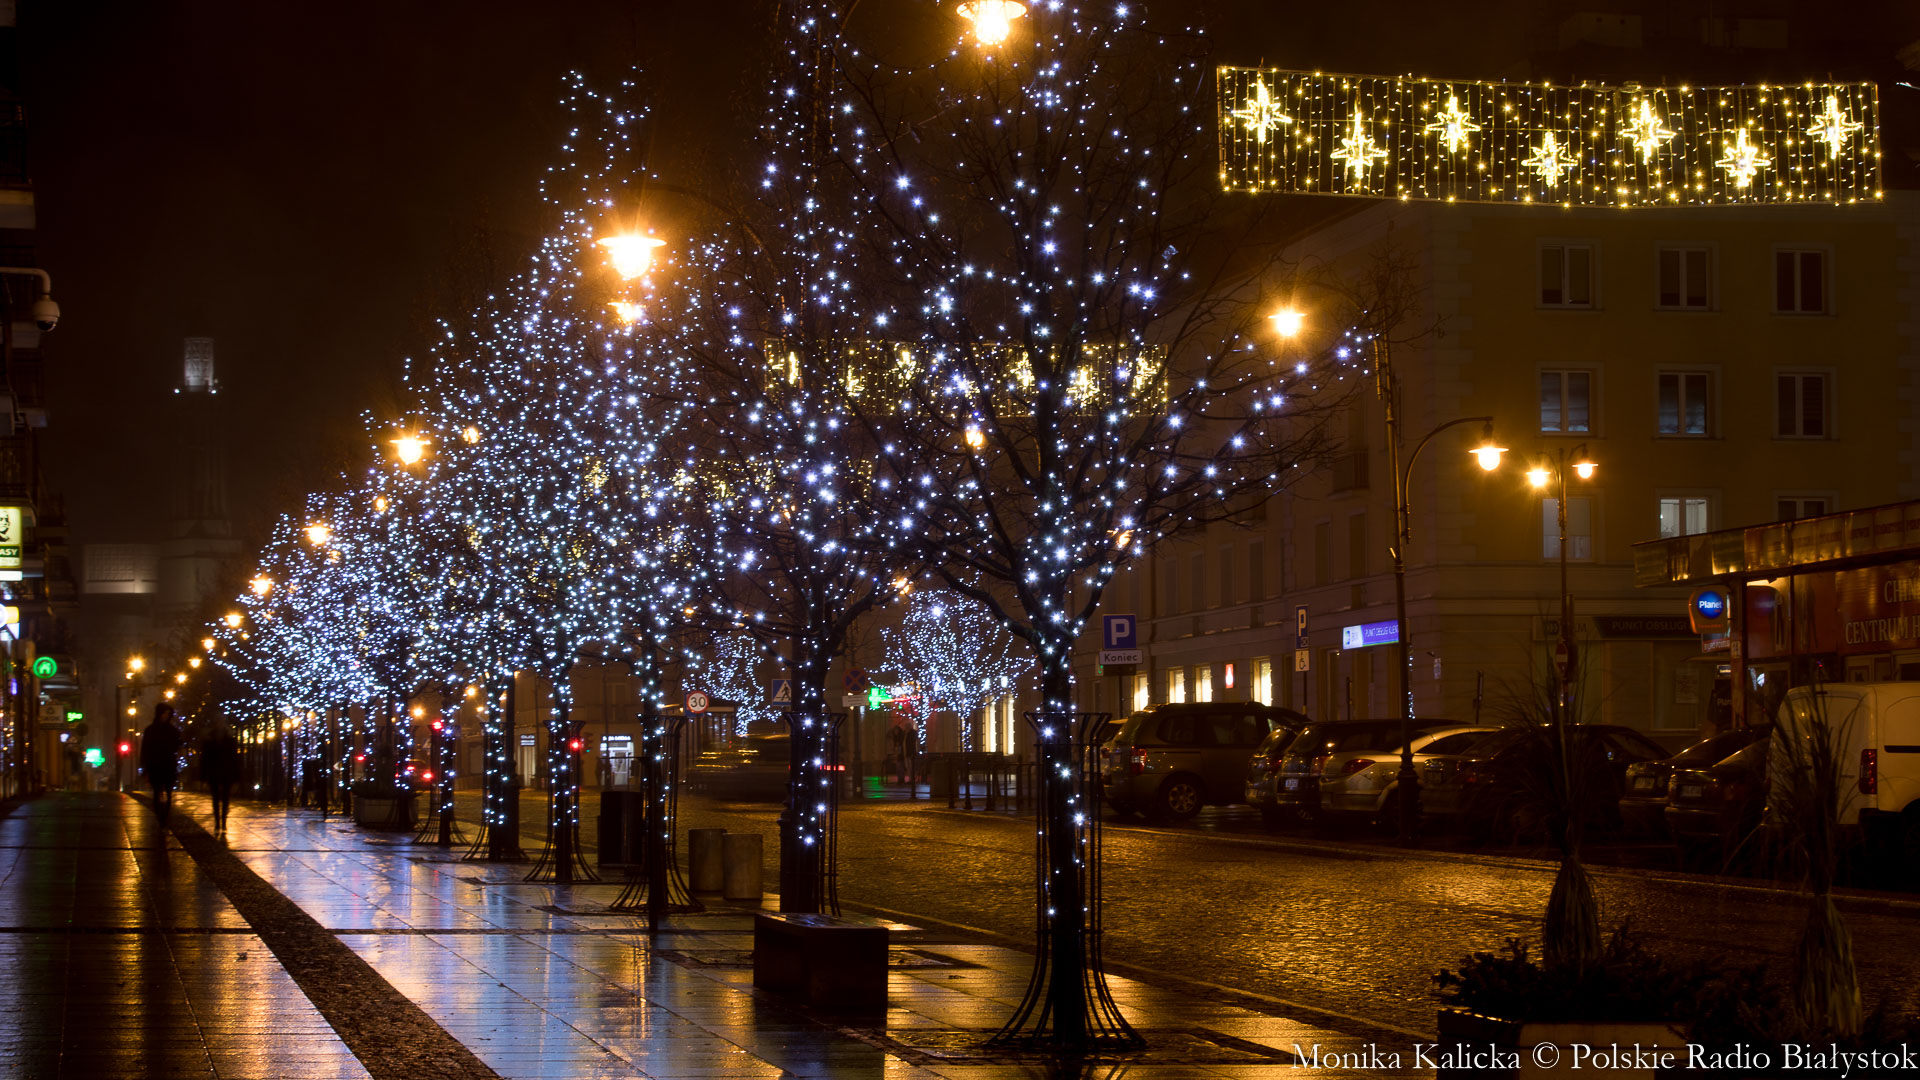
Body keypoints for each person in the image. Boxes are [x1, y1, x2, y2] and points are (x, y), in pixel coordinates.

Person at [139, 704, 183, 820]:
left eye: (168, 714)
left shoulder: (171, 730)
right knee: (157, 792)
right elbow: (145, 749)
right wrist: (145, 766)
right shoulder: (151, 730)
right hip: (157, 765)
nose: (166, 716)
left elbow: (178, 745)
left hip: (167, 765)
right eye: (164, 713)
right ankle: (160, 817)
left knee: (168, 793)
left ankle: (164, 818)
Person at [200, 720, 242, 835]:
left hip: (221, 772)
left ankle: (221, 822)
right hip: (221, 772)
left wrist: (203, 777)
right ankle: (220, 822)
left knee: (221, 799)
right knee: (219, 799)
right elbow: (205, 760)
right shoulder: (225, 740)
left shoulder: (211, 740)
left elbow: (234, 759)